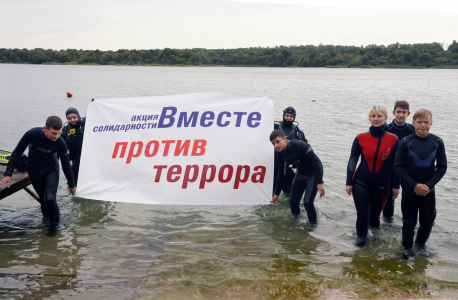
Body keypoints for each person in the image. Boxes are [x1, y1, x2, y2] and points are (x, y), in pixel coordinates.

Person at [0, 116, 76, 236]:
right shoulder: (32, 134)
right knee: (43, 199)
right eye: (53, 133)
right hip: (34, 170)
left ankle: (54, 226)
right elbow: (16, 153)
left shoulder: (60, 142)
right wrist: (8, 174)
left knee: (50, 198)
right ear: (45, 128)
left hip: (51, 170)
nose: (56, 136)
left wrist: (72, 185)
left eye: (59, 133)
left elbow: (66, 166)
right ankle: (46, 220)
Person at [394, 109, 447, 259]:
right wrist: (414, 185)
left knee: (428, 222)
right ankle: (407, 248)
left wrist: (428, 186)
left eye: (426, 122)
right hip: (410, 190)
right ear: (413, 123)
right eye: (419, 122)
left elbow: (442, 167)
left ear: (431, 123)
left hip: (429, 190)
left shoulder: (437, 142)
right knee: (409, 221)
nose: (422, 125)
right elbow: (398, 167)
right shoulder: (405, 142)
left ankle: (421, 244)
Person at [345, 105, 400, 246]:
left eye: (380, 116)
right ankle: (361, 244)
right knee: (362, 215)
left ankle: (374, 244)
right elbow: (352, 160)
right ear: (369, 118)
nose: (376, 119)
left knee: (375, 217)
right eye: (373, 116)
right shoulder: (360, 138)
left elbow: (396, 165)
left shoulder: (393, 139)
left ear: (386, 118)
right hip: (361, 182)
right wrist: (349, 182)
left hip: (382, 184)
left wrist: (396, 185)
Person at [270, 129, 325, 224]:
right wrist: (276, 194)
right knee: (293, 202)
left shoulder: (300, 145)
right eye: (273, 143)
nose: (276, 146)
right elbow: (281, 173)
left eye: (277, 142)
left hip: (313, 172)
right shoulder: (279, 153)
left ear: (284, 138)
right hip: (301, 172)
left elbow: (316, 162)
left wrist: (319, 182)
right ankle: (298, 222)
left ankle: (314, 226)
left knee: (307, 202)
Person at [383, 100, 415, 219]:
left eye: (404, 112)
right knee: (389, 198)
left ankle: (408, 222)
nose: (401, 115)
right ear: (393, 112)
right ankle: (387, 223)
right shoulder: (386, 129)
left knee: (408, 198)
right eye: (398, 112)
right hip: (390, 169)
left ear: (408, 113)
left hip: (408, 169)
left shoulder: (413, 130)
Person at [273, 106, 307, 195]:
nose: (288, 118)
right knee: (271, 194)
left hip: (290, 168)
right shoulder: (274, 129)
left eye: (291, 116)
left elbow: (305, 152)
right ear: (283, 115)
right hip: (274, 166)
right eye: (287, 115)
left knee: (290, 195)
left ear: (294, 118)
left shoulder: (298, 133)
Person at [61, 107, 86, 185]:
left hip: (87, 160)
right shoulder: (65, 130)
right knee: (72, 184)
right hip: (75, 160)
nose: (72, 120)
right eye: (69, 118)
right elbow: (60, 146)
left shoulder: (86, 124)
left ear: (78, 116)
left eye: (74, 117)